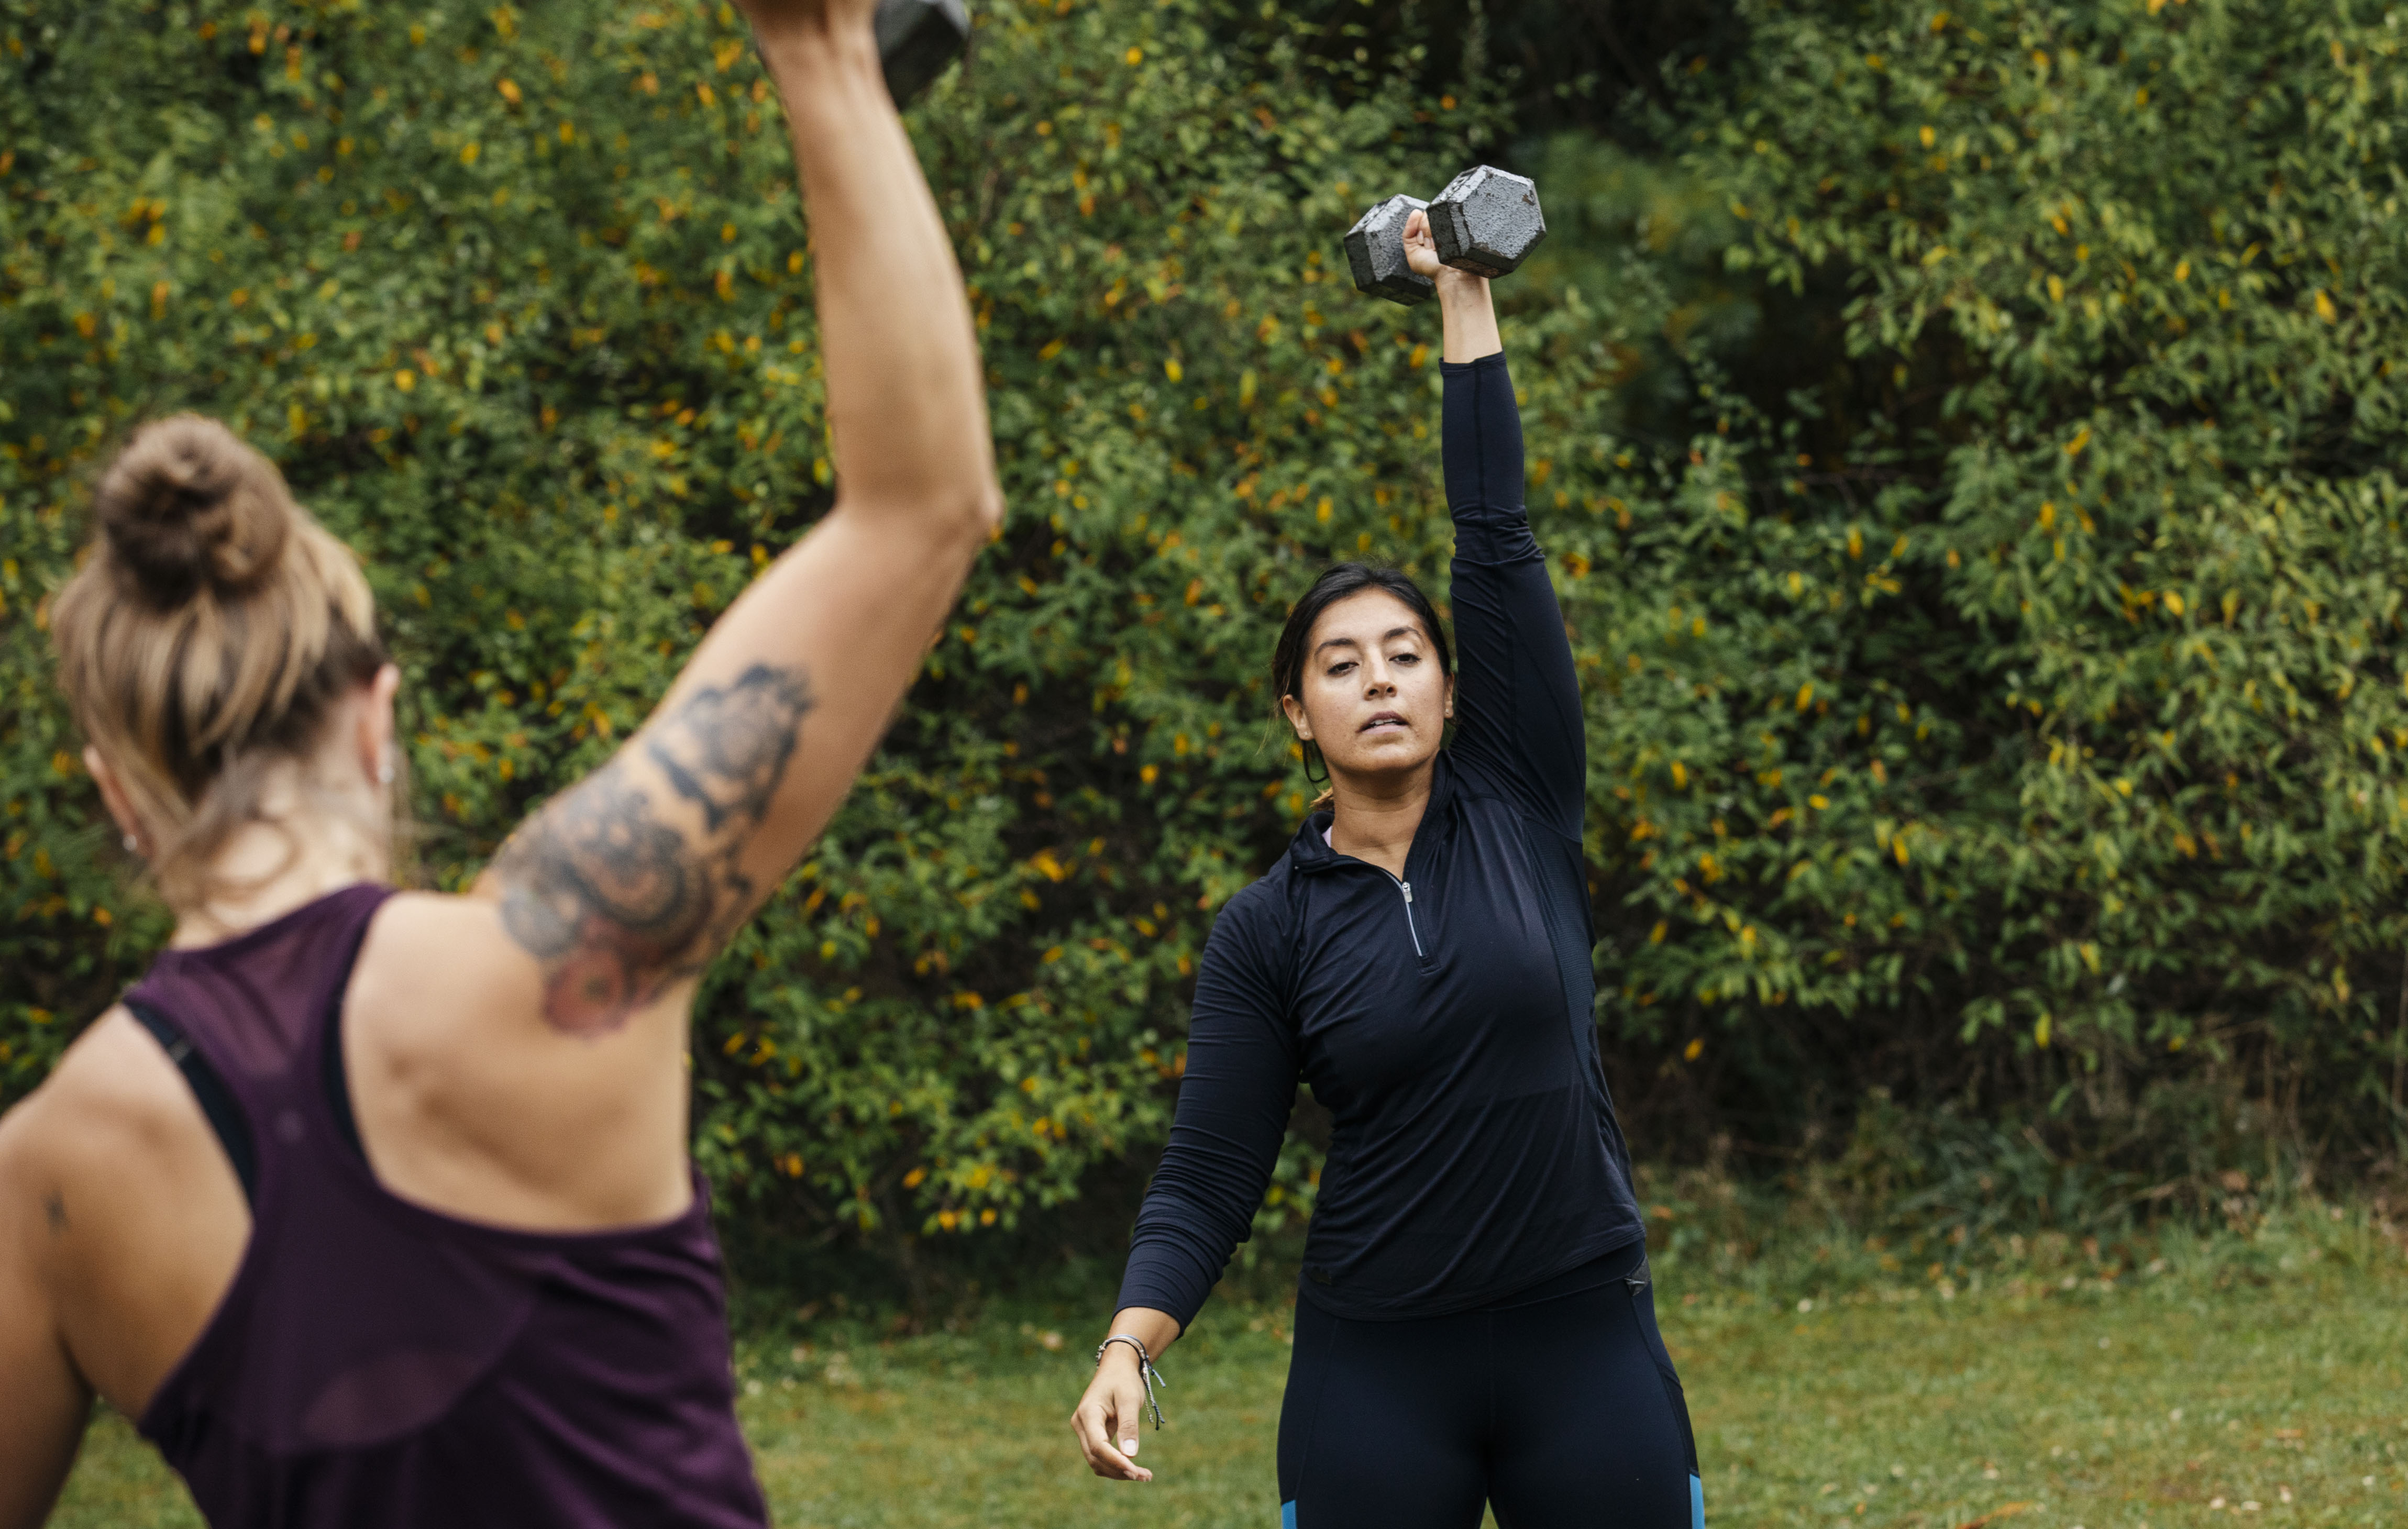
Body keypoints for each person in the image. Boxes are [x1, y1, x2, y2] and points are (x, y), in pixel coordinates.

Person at [0, 1, 1000, 1522]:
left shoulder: (42, 1182)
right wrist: (818, 50)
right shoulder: (560, 947)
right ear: (376, 717)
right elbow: (920, 509)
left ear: (115, 791)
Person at [1068, 209, 1706, 1528]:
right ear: (1297, 711)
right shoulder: (1267, 929)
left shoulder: (1521, 799)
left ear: (1453, 687)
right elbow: (1211, 1168)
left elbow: (1496, 533)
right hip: (1376, 1362)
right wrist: (1128, 1344)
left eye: (1405, 652)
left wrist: (1462, 294)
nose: (1379, 679)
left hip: (1582, 1335)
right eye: (1341, 663)